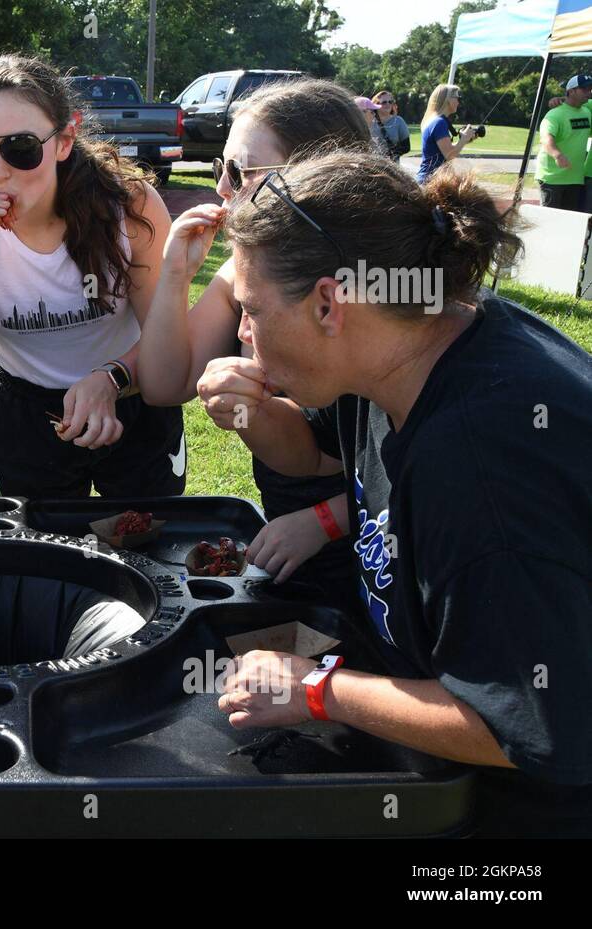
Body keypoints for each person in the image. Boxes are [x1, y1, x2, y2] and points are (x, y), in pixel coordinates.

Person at [194, 149, 591, 836]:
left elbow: (531, 729)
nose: (244, 332)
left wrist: (317, 690)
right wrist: (251, 409)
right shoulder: (406, 343)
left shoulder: (483, 466)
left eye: (253, 310)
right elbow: (318, 450)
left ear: (328, 302)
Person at [0, 55, 182, 500]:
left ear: (65, 140)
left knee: (147, 541)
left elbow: (170, 341)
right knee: (45, 555)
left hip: (132, 396)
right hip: (24, 410)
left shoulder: (128, 206)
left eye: (20, 148)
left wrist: (111, 378)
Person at [137, 79, 370, 608]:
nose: (221, 188)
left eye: (239, 172)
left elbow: (402, 471)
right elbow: (162, 385)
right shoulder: (246, 277)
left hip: (369, 541)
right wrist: (176, 274)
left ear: (317, 177)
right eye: (220, 167)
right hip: (287, 522)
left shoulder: (367, 292)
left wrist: (321, 522)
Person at [537, 74, 592, 211]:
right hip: (552, 179)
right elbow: (545, 137)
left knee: (571, 222)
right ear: (571, 91)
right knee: (550, 221)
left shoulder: (587, 112)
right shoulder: (555, 114)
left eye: (590, 89)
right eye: (584, 89)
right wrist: (557, 155)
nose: (589, 92)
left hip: (575, 178)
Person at [416, 84, 476, 184]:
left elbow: (443, 151)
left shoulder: (436, 120)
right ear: (448, 100)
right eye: (457, 98)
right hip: (430, 181)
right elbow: (449, 155)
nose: (458, 101)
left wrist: (464, 140)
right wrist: (463, 139)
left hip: (430, 179)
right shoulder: (439, 122)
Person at [370, 89, 410, 161]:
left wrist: (390, 154)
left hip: (392, 167)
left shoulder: (398, 121)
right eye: (384, 102)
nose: (388, 104)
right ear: (376, 105)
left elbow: (406, 147)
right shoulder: (369, 121)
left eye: (390, 102)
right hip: (372, 165)